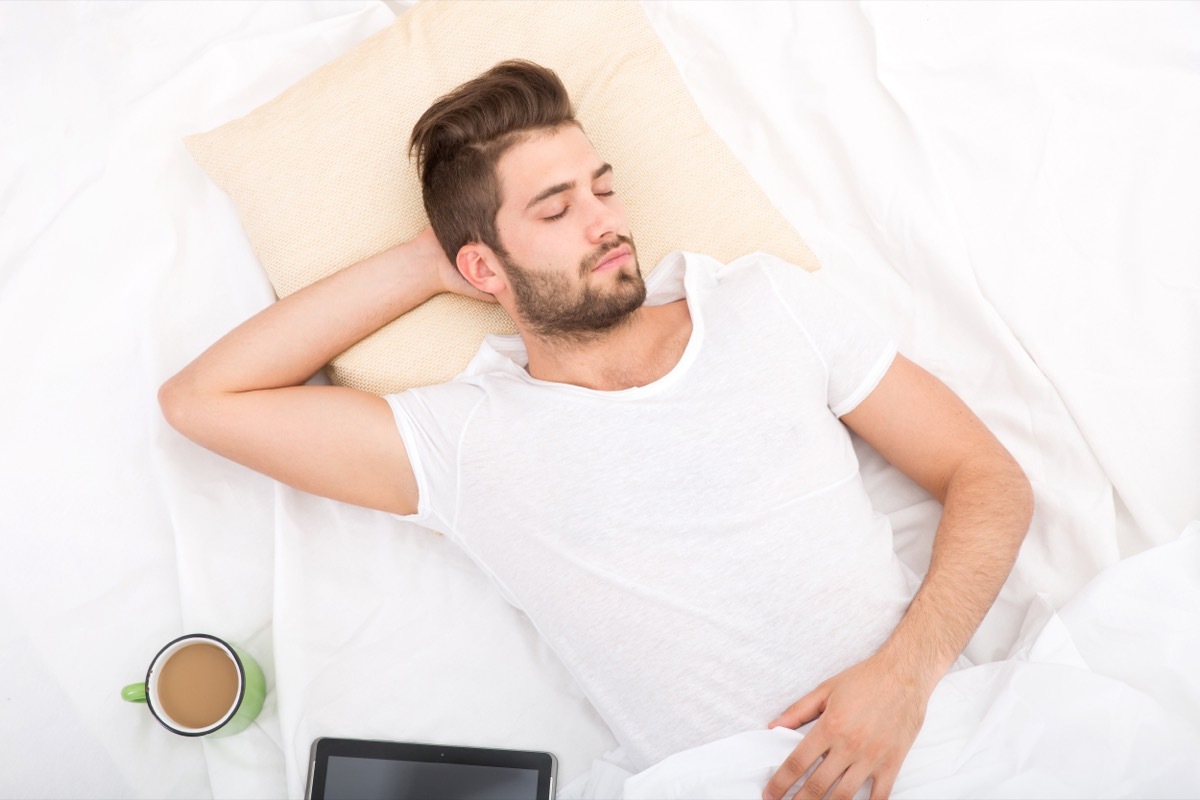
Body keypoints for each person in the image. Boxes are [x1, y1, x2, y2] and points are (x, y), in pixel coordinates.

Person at [159, 60, 1033, 800]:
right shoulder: (467, 439)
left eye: (603, 189)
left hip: (945, 743)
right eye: (555, 209)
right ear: (482, 266)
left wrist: (906, 678)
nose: (606, 220)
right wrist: (425, 262)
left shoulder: (763, 305)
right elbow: (203, 400)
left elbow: (986, 477)